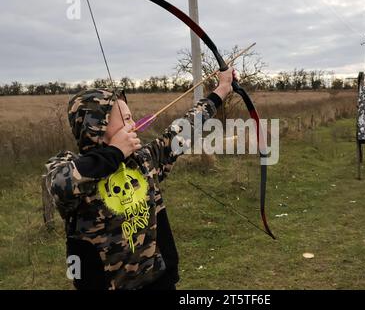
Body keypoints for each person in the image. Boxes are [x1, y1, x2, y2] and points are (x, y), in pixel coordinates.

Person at [45, 68, 235, 290]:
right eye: (126, 119)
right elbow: (60, 185)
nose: (133, 124)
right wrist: (114, 153)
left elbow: (185, 129)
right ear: (97, 126)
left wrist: (222, 89)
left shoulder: (143, 160)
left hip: (158, 281)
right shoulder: (68, 167)